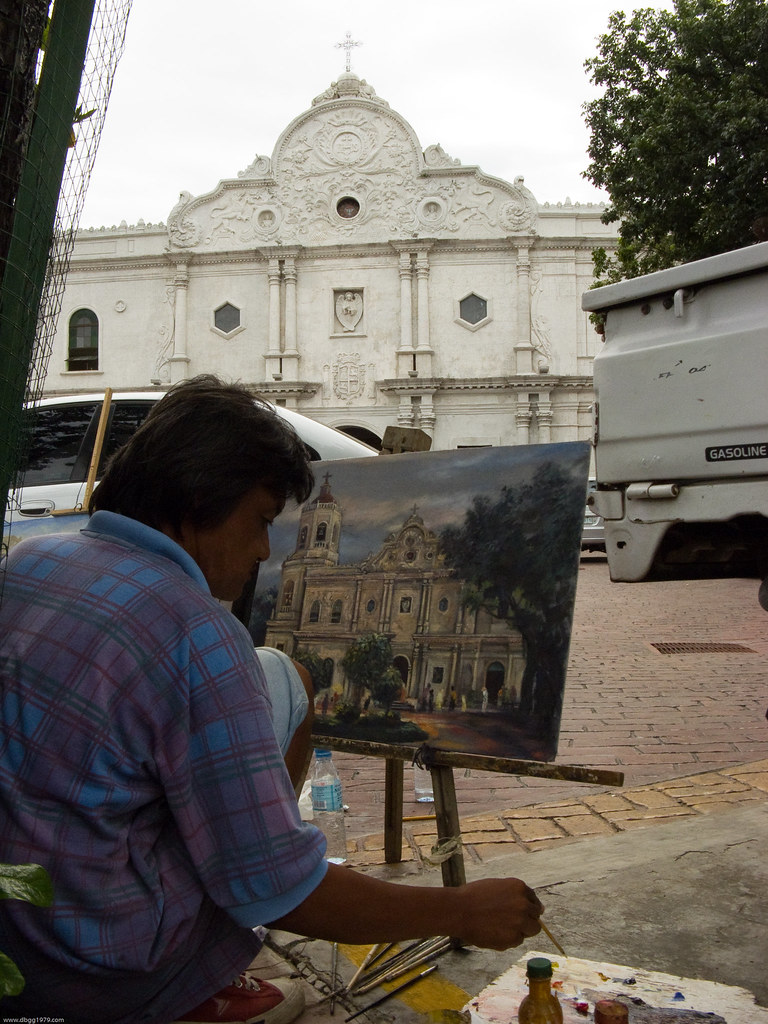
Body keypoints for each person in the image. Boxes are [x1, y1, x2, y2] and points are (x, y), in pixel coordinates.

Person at [0, 376, 543, 1024]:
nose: (265, 549)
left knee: (286, 675)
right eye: (261, 521)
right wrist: (461, 910)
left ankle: (238, 834)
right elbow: (286, 890)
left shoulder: (28, 562)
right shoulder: (200, 635)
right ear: (199, 500)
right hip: (108, 975)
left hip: (14, 936)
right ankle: (199, 977)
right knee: (259, 876)